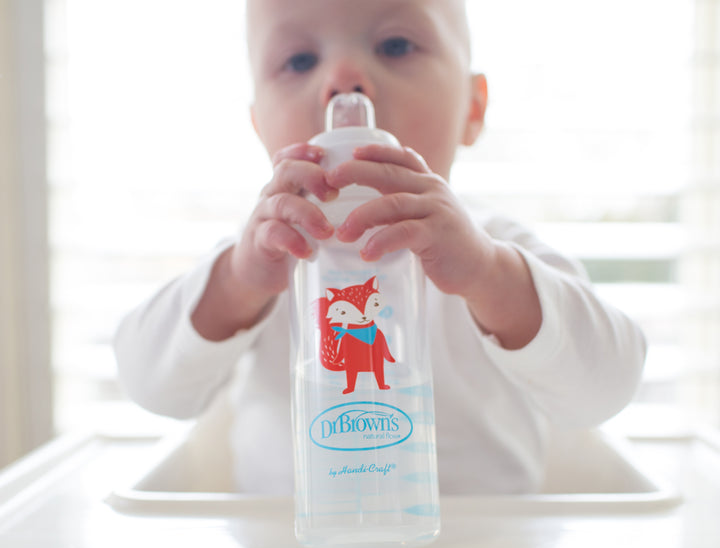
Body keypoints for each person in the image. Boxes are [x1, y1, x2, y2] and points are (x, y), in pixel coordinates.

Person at [114, 0, 646, 495]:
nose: (344, 82)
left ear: (473, 107)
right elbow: (149, 386)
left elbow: (609, 386)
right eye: (299, 60)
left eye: (396, 46)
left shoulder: (495, 248)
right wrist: (236, 284)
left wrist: (489, 276)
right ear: (260, 128)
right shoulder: (260, 254)